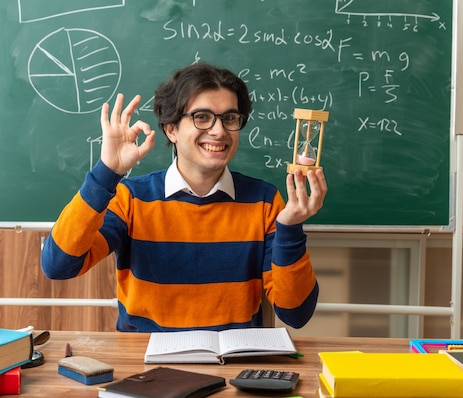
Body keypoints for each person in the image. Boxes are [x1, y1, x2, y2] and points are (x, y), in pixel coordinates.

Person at [41, 62, 327, 332]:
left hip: (233, 364)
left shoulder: (264, 201)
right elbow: (58, 266)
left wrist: (290, 228)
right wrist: (107, 173)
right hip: (146, 364)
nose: (218, 131)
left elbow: (296, 314)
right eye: (202, 117)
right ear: (171, 129)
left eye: (230, 118)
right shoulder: (132, 198)